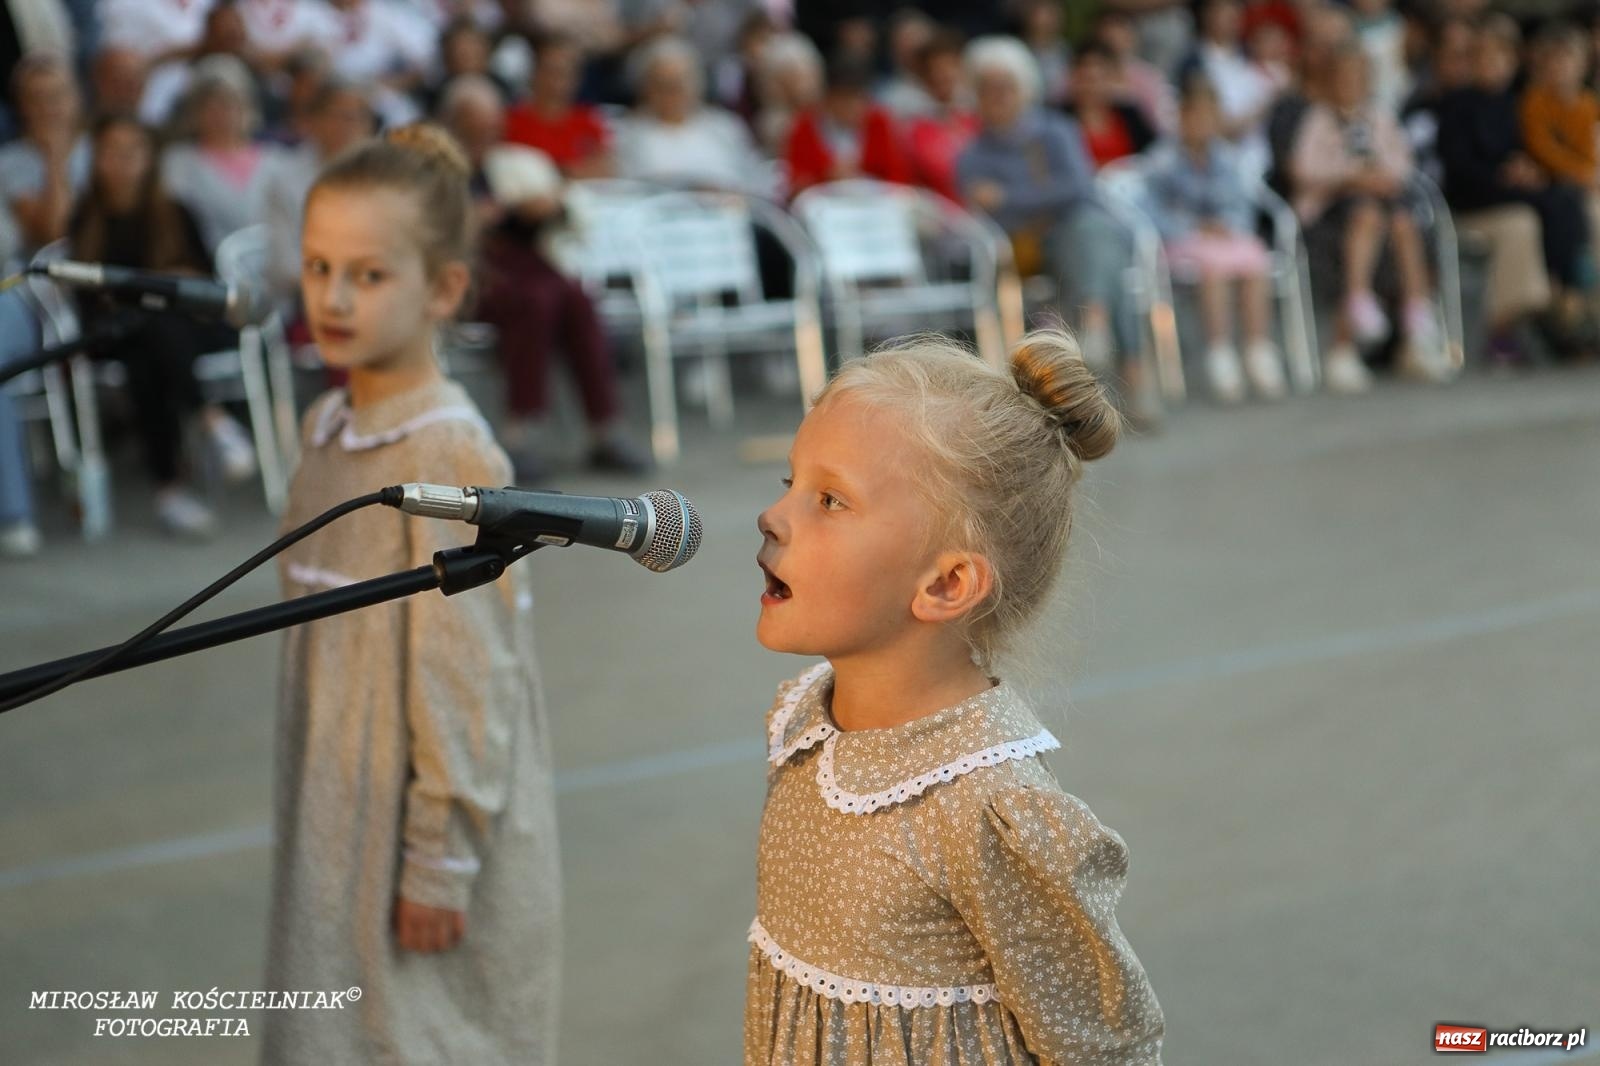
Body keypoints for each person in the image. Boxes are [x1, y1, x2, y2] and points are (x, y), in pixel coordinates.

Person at [747, 328, 1165, 1065]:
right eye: (790, 483)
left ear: (946, 584)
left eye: (830, 500)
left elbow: (1102, 1047)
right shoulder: (804, 719)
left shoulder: (988, 809)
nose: (774, 516)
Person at [262, 124, 558, 1064]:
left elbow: (470, 671)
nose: (335, 297)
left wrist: (440, 853)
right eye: (318, 267)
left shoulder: (448, 453)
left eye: (369, 274)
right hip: (338, 799)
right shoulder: (325, 425)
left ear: (442, 289)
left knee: (417, 1036)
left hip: (420, 808)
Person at [441, 74, 650, 477]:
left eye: (490, 123)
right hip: (468, 279)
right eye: (473, 124)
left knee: (575, 297)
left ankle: (605, 428)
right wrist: (481, 219)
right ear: (453, 123)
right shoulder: (437, 171)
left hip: (531, 271)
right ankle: (521, 432)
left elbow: (575, 217)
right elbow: (431, 237)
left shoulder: (516, 161)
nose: (485, 133)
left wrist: (549, 206)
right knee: (540, 299)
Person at [68, 114, 257, 537]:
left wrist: (169, 285)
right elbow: (85, 295)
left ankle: (170, 490)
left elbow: (207, 283)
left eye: (133, 151)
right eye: (113, 151)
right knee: (146, 329)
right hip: (119, 333)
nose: (124, 162)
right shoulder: (86, 218)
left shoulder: (174, 210)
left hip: (181, 330)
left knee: (152, 339)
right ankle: (212, 421)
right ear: (96, 159)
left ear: (150, 157)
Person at [1290, 43, 1452, 391]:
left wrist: (1380, 175)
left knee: (1404, 224)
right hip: (1333, 211)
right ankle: (1356, 302)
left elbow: (1402, 162)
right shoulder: (1318, 118)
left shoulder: (1379, 116)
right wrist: (1350, 174)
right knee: (1366, 218)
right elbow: (1303, 169)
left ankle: (1416, 316)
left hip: (1384, 206)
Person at [1146, 75, 1286, 400]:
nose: (1202, 124)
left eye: (1210, 116)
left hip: (1224, 240)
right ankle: (1220, 352)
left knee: (1255, 262)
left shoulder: (1226, 158)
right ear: (1181, 117)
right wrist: (1193, 228)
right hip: (1181, 243)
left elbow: (1240, 204)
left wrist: (1225, 224)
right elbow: (1151, 211)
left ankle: (1256, 347)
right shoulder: (1162, 160)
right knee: (1213, 268)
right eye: (1195, 116)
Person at [783, 49, 909, 196]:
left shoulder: (879, 122)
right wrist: (827, 176)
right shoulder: (804, 127)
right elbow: (796, 184)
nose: (852, 107)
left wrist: (862, 179)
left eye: (858, 99)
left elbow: (898, 178)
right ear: (828, 99)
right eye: (844, 100)